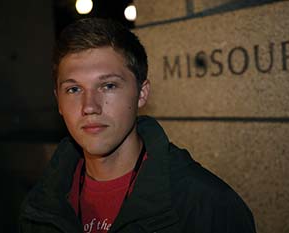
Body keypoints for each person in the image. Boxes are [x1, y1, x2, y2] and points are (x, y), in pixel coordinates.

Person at [19, 17, 256, 233]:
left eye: (108, 86)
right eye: (73, 89)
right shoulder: (40, 206)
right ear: (58, 101)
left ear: (142, 93)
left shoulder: (206, 205)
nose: (89, 106)